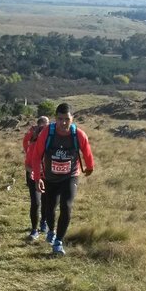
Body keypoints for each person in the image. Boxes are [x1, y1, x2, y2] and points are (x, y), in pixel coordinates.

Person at [27, 103, 94, 255]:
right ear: (55, 119)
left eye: (67, 119)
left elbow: (87, 150)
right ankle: (51, 229)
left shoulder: (79, 135)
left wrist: (89, 166)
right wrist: (38, 178)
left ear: (72, 119)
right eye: (60, 119)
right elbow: (36, 156)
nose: (63, 123)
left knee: (67, 205)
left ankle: (58, 241)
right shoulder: (47, 133)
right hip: (50, 178)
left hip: (70, 176)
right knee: (50, 209)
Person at [23, 116, 50, 240]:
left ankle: (44, 221)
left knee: (46, 201)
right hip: (33, 177)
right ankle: (34, 230)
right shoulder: (33, 146)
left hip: (48, 177)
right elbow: (27, 165)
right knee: (36, 202)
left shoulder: (52, 147)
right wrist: (35, 172)